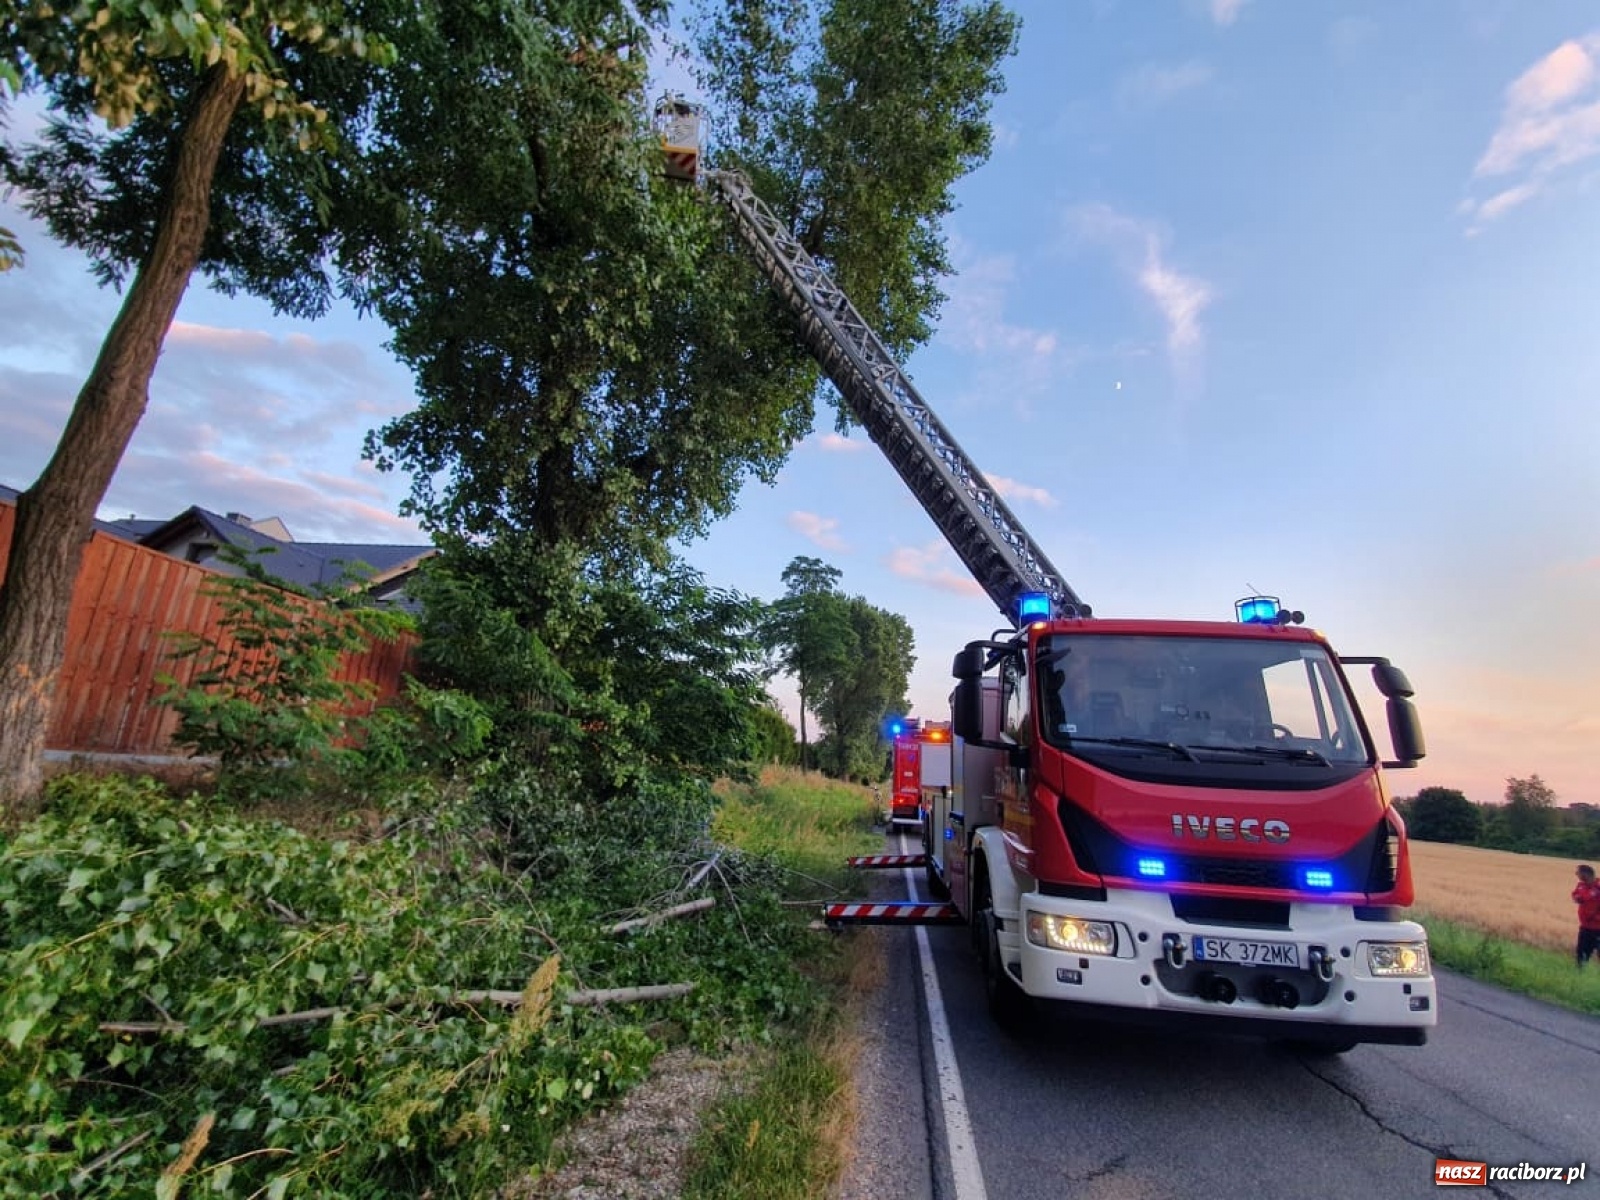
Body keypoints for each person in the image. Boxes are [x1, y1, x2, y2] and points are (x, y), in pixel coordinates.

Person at [1573, 864, 1600, 968]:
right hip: (1585, 926)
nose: (1576, 874)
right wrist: (1578, 897)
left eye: (1578, 872)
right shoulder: (1581, 885)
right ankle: (1579, 976)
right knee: (1581, 953)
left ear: (1585, 874)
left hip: (1598, 928)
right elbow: (1575, 895)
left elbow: (1584, 897)